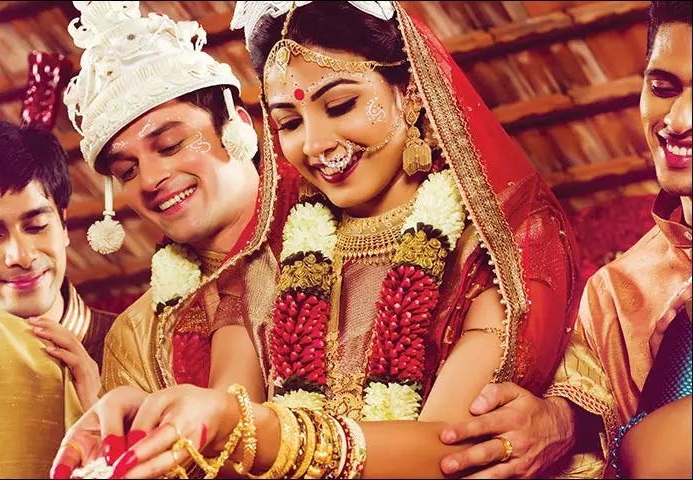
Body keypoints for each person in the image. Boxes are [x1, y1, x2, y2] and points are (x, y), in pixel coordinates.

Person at [50, 2, 583, 478]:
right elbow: (225, 431)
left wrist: (248, 427)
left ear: (410, 93)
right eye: (289, 122)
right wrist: (151, 426)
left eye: (341, 104)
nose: (315, 143)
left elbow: (450, 452)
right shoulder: (263, 263)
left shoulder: (495, 243)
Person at [438, 1, 692, 477]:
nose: (678, 121)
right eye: (662, 88)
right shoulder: (614, 295)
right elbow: (587, 415)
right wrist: (560, 422)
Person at [51, 1, 282, 475]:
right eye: (127, 170)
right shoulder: (137, 335)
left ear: (237, 125)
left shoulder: (351, 238)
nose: (152, 178)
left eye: (171, 145)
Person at [0, 117, 116, 477]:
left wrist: (100, 409)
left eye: (36, 226)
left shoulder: (134, 344)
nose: (21, 256)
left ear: (64, 225)